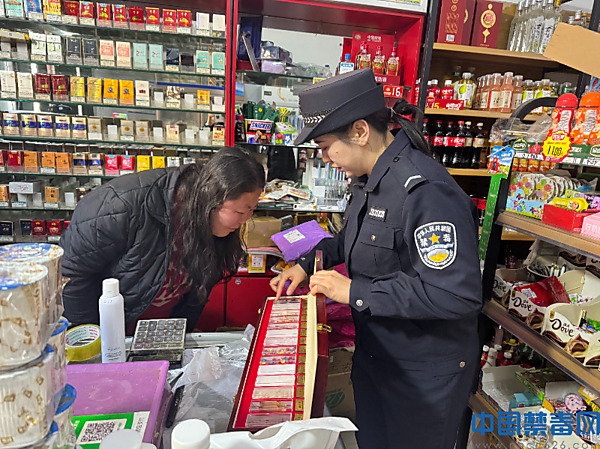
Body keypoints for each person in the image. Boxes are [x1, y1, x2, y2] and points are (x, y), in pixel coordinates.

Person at [270, 69, 482, 449]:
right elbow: (350, 238)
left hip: (422, 375)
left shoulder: (424, 191)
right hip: (377, 356)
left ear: (360, 131)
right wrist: (306, 263)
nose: (325, 158)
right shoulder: (368, 180)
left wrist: (354, 291)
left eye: (326, 147)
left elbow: (454, 294)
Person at [60, 147, 265, 332]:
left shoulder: (213, 226)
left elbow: (196, 294)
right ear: (212, 198)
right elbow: (71, 275)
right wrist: (91, 343)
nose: (245, 219)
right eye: (241, 211)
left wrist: (179, 335)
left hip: (157, 336)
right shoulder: (120, 206)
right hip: (110, 335)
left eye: (252, 210)